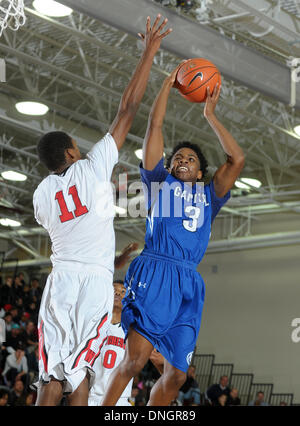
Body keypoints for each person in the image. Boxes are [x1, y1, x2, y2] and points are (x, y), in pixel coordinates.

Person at [32, 14, 172, 407]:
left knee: (50, 376)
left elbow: (73, 240)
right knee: (82, 376)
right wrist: (148, 53)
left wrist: (112, 258)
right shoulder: (92, 168)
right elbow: (128, 107)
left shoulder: (42, 195)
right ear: (73, 152)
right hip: (93, 284)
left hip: (62, 281)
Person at [101, 62, 244, 406]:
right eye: (177, 157)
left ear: (200, 171)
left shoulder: (210, 196)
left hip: (188, 282)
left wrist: (209, 114)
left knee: (177, 375)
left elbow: (236, 159)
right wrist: (167, 83)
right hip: (156, 270)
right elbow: (156, 124)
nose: (182, 160)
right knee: (135, 360)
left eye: (190, 159)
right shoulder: (158, 184)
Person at [88, 280, 133, 406]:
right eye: (114, 290)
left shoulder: (132, 332)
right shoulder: (92, 325)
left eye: (123, 292)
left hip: (120, 400)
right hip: (92, 397)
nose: (117, 293)